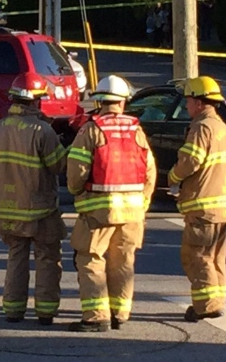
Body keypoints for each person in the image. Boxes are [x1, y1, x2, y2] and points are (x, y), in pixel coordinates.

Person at [66, 75, 157, 332]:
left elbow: (77, 171)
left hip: (99, 211)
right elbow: (150, 170)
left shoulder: (91, 129)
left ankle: (97, 316)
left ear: (99, 101)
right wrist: (143, 203)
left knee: (91, 258)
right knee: (123, 261)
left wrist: (77, 193)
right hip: (133, 211)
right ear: (123, 102)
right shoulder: (137, 130)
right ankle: (120, 313)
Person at [0, 72, 69, 325]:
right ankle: (45, 311)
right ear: (34, 101)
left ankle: (13, 310)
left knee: (16, 256)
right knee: (46, 256)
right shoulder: (42, 130)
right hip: (39, 208)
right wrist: (67, 146)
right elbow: (59, 166)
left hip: (7, 207)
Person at [168, 76, 226, 322]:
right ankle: (215, 301)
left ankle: (205, 306)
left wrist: (173, 177)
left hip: (203, 207)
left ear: (197, 101)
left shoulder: (201, 127)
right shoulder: (221, 128)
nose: (186, 106)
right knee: (216, 257)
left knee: (197, 256)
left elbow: (190, 161)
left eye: (187, 100)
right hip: (221, 207)